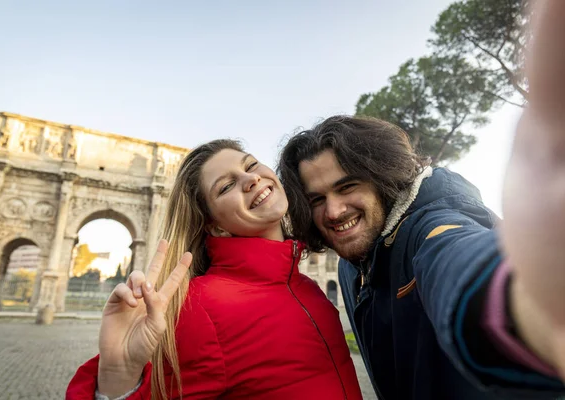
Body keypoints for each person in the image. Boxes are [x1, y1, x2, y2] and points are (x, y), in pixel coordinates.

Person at [276, 2, 565, 399]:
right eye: (317, 198)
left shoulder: (428, 226)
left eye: (347, 187)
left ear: (380, 177)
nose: (334, 210)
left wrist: (534, 304)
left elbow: (458, 261)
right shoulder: (351, 263)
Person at [66, 139, 362, 399]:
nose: (251, 179)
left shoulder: (306, 288)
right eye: (226, 186)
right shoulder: (197, 308)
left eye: (251, 165)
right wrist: (118, 376)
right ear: (215, 225)